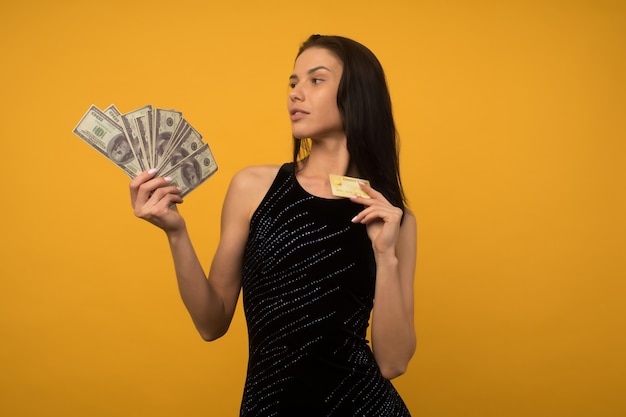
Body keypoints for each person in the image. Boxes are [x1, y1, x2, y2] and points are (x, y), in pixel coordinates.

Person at [130, 34, 417, 416]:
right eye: (293, 82)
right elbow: (211, 323)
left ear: (357, 94)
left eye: (316, 80)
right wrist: (176, 232)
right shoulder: (253, 187)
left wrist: (385, 254)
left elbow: (393, 363)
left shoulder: (393, 217)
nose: (296, 94)